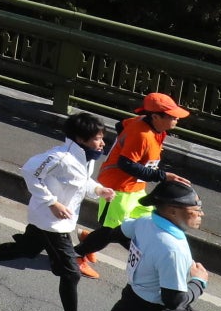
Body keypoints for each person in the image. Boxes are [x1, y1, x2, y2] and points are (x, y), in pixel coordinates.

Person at [27, 179, 211, 311]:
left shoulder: (146, 222)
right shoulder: (172, 249)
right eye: (196, 208)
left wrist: (83, 251)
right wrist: (198, 282)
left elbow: (115, 233)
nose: (201, 214)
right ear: (173, 211)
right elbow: (174, 300)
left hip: (137, 307)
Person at [0, 111, 113, 311]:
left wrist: (97, 190)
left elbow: (80, 181)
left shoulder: (85, 158)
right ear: (80, 139)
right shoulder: (60, 157)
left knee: (26, 249)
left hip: (58, 220)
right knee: (71, 273)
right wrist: (52, 202)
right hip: (51, 221)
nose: (102, 143)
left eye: (102, 138)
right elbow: (29, 171)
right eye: (98, 138)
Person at [74, 92, 193, 278]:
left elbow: (120, 125)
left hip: (135, 188)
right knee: (112, 230)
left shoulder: (147, 125)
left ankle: (90, 240)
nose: (177, 119)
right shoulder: (141, 134)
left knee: (142, 223)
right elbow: (126, 164)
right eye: (172, 116)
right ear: (155, 117)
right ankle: (77, 255)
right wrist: (162, 176)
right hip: (117, 188)